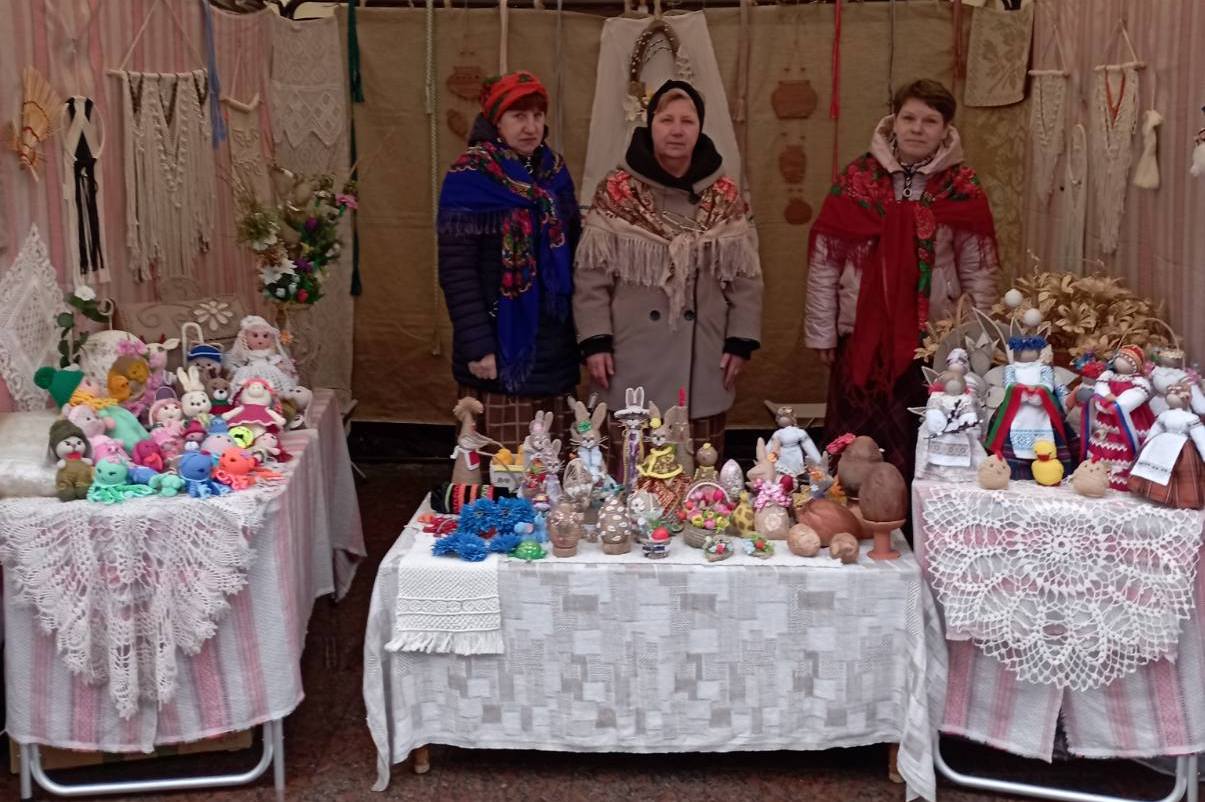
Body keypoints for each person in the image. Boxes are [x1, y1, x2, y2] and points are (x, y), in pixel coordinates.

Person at [804, 79, 999, 481]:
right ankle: (851, 511)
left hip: (932, 339)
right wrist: (822, 331)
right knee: (856, 438)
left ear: (946, 128)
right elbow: (826, 262)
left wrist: (979, 343)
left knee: (917, 438)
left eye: (930, 121)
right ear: (893, 121)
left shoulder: (962, 187)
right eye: (909, 118)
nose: (917, 129)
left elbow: (978, 268)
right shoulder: (857, 179)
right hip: (861, 335)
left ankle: (912, 515)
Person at [574, 80, 762, 465]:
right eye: (667, 120)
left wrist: (739, 342)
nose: (677, 130)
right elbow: (591, 277)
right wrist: (595, 342)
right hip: (629, 357)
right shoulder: (616, 192)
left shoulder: (724, 195)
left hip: (704, 361)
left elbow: (746, 278)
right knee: (631, 473)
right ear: (650, 125)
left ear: (700, 128)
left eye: (687, 121)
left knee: (699, 477)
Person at [438, 71, 581, 452]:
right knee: (501, 466)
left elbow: (575, 254)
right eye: (519, 116)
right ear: (496, 121)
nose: (531, 127)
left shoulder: (554, 173)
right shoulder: (469, 177)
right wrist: (478, 346)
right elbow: (457, 271)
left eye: (537, 116)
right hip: (498, 350)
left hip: (555, 350)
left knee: (554, 464)